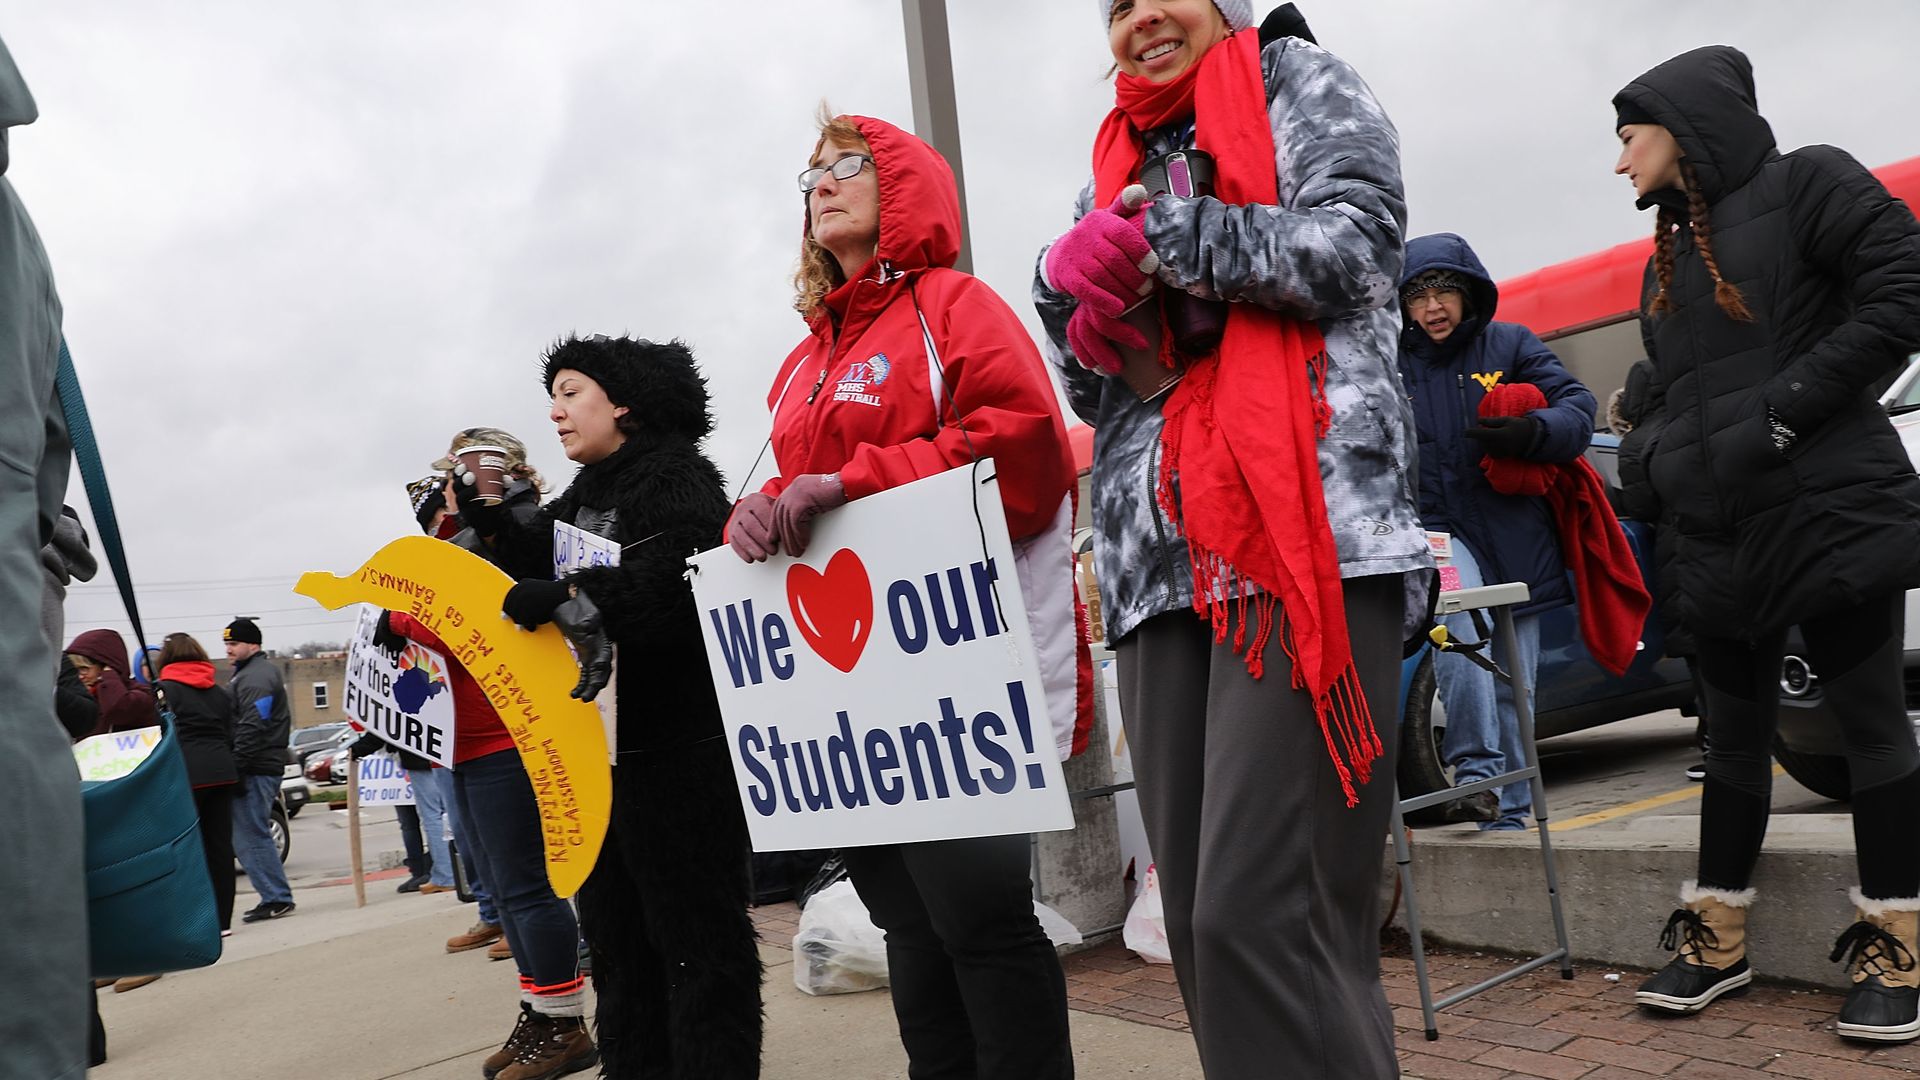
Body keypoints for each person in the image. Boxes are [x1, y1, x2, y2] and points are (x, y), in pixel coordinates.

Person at [1033, 3, 1431, 1075]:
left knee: (1268, 917)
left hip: (1303, 539)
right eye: (1114, 6)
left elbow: (1356, 250)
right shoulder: (1113, 157)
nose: (1139, 18)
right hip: (1157, 565)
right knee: (1204, 933)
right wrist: (1066, 292)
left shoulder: (1298, 78)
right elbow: (1097, 385)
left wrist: (1170, 238)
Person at [727, 109, 1090, 1080]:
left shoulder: (954, 305)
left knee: (977, 920)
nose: (823, 184)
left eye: (849, 164)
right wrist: (754, 513)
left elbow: (1025, 450)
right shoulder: (801, 364)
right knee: (906, 929)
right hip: (854, 697)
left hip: (954, 677)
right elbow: (795, 496)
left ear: (904, 186)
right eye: (810, 173)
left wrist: (851, 482)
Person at [1613, 46, 1920, 1043]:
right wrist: (1653, 464)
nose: (1619, 162)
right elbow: (1654, 393)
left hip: (1824, 506)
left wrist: (1784, 414)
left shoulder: (1810, 181)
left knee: (1868, 723)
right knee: (1734, 741)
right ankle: (1716, 937)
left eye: (1630, 136)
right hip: (1716, 531)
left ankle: (1897, 944)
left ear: (1684, 124)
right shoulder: (1666, 254)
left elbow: (1904, 291)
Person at [459, 335, 762, 1079]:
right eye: (553, 397)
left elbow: (685, 583)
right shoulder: (581, 496)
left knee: (697, 944)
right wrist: (501, 527)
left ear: (622, 402)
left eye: (571, 392)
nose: (555, 412)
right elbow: (527, 583)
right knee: (619, 945)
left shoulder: (674, 475)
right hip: (598, 756)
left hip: (677, 752)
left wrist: (574, 598)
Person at [1396, 233, 1599, 831]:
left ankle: (1511, 815)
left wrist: (1533, 432)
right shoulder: (1390, 362)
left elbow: (1577, 406)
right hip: (1439, 535)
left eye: (1445, 293)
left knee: (1517, 684)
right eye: (1418, 296)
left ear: (1470, 295)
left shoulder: (1510, 343)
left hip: (1516, 539)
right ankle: (1477, 779)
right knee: (1461, 633)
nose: (1433, 308)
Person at [419, 432, 606, 1078]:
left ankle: (564, 1022)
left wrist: (402, 615)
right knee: (504, 886)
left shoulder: (517, 528)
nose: (451, 482)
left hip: (507, 732)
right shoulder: (466, 532)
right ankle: (540, 1009)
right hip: (467, 735)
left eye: (460, 470)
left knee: (528, 887)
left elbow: (456, 616)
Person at [153, 632, 238, 937]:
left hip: (187, 774)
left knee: (187, 848)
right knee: (220, 847)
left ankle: (193, 917)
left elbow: (158, 735)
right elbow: (232, 733)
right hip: (223, 771)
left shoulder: (164, 690)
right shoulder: (219, 691)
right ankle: (224, 920)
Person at [225, 616, 297, 923]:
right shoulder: (251, 674)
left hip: (256, 766)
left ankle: (276, 898)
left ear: (253, 645)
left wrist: (237, 766)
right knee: (250, 834)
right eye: (226, 643)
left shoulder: (255, 678)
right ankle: (275, 896)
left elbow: (253, 724)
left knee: (251, 835)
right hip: (258, 763)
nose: (228, 649)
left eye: (234, 643)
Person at [65, 628, 158, 738]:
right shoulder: (82, 698)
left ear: (105, 666)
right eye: (75, 670)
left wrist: (109, 676)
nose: (80, 676)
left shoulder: (142, 693)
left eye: (84, 668)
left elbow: (118, 711)